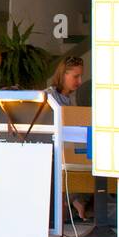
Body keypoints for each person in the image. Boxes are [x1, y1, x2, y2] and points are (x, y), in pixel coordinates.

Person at [45, 55, 92, 221]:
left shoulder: (69, 98)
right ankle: (75, 200)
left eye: (81, 76)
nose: (79, 81)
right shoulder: (49, 98)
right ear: (63, 74)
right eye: (75, 76)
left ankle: (76, 199)